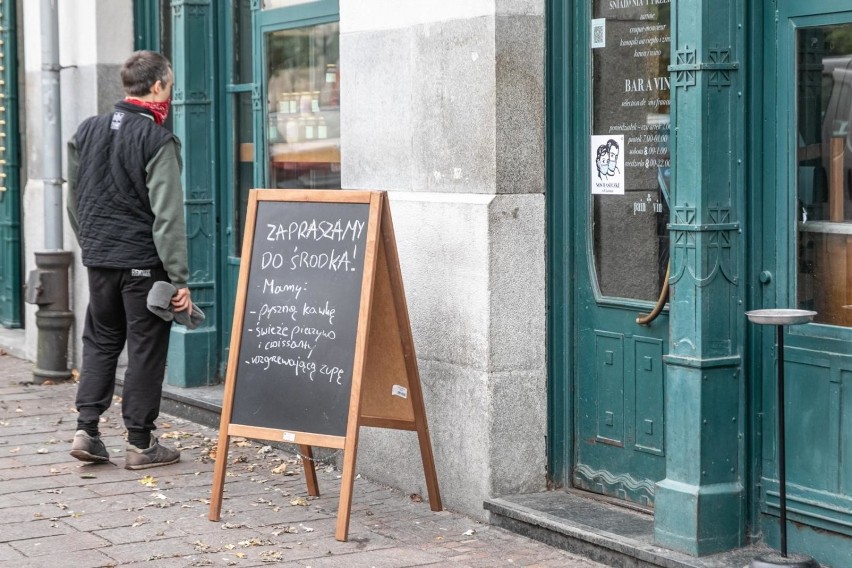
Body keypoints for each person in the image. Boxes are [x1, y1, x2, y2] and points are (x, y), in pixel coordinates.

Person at [66, 51, 191, 470]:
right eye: (169, 87)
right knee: (144, 348)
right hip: (143, 264)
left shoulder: (86, 131)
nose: (169, 94)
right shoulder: (157, 140)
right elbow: (168, 215)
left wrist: (94, 245)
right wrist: (180, 279)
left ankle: (87, 430)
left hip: (99, 260)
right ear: (157, 86)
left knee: (101, 341)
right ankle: (140, 443)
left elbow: (75, 200)